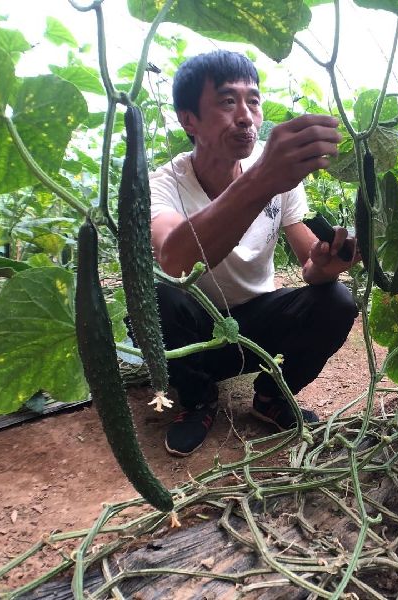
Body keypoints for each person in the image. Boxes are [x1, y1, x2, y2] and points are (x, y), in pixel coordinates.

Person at [148, 50, 359, 457]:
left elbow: (310, 268)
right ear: (188, 119)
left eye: (254, 101)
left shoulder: (277, 174)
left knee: (337, 300)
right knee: (161, 297)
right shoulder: (164, 183)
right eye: (228, 101)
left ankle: (270, 397)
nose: (246, 116)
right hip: (195, 340)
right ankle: (198, 400)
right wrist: (262, 179)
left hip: (257, 329)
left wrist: (325, 265)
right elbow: (174, 261)